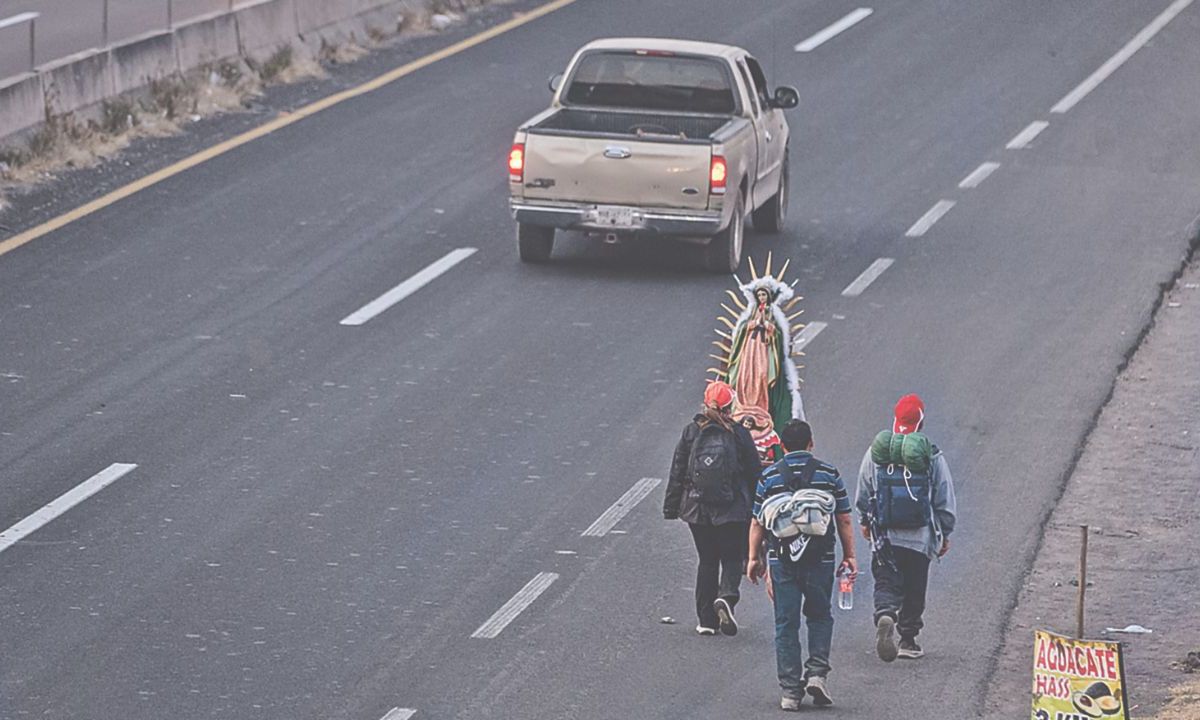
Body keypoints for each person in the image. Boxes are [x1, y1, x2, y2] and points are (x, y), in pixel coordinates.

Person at [747, 420, 857, 711]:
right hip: (820, 558)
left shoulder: (769, 476)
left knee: (786, 622)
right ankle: (818, 674)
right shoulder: (828, 474)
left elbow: (758, 521)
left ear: (782, 446)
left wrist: (753, 558)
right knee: (820, 615)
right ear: (811, 444)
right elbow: (843, 518)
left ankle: (790, 692)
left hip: (781, 561)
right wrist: (850, 555)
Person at [855, 394, 957, 662]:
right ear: (921, 424)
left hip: (885, 536)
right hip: (919, 537)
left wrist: (864, 521)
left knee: (886, 580)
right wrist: (945, 532)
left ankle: (886, 613)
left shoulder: (876, 453)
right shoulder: (931, 455)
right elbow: (943, 497)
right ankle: (908, 639)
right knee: (915, 587)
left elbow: (864, 490)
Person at [664, 380, 761, 636]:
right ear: (730, 407)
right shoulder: (739, 434)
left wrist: (671, 507)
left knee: (707, 560)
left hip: (697, 510)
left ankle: (706, 620)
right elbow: (754, 473)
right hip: (732, 509)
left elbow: (677, 471)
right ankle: (726, 598)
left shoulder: (691, 432)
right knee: (731, 557)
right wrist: (758, 507)